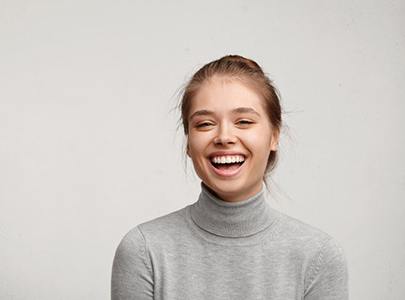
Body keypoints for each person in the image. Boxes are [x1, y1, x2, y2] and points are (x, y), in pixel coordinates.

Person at [111, 55, 349, 299]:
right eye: (204, 124)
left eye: (243, 121)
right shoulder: (144, 250)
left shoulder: (318, 257)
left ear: (274, 135)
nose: (224, 136)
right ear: (188, 143)